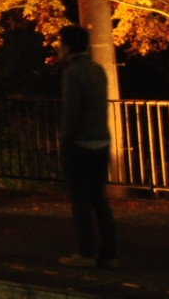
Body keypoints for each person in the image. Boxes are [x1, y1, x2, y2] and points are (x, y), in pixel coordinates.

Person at [57, 24, 118, 270]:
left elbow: (71, 112)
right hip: (101, 139)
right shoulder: (97, 70)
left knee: (80, 200)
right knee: (98, 199)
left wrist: (64, 140)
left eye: (60, 43)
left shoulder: (73, 73)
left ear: (67, 47)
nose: (58, 48)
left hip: (80, 143)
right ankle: (110, 254)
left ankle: (85, 252)